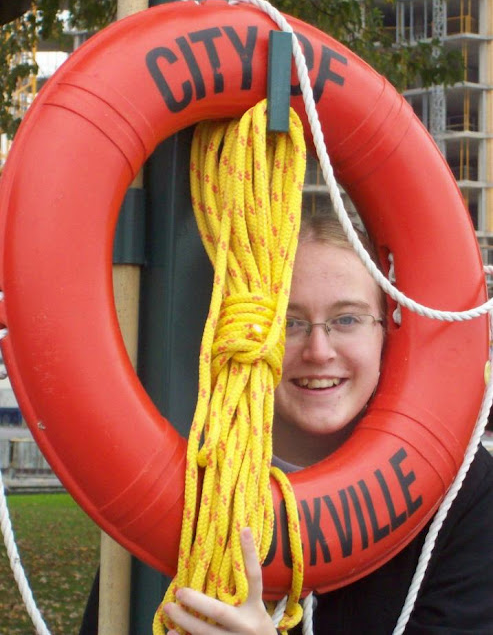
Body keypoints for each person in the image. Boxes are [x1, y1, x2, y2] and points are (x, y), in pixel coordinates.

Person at [162, 202, 493, 634]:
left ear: (387, 333)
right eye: (291, 322)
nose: (319, 351)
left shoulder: (463, 491)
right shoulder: (185, 486)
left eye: (347, 319)